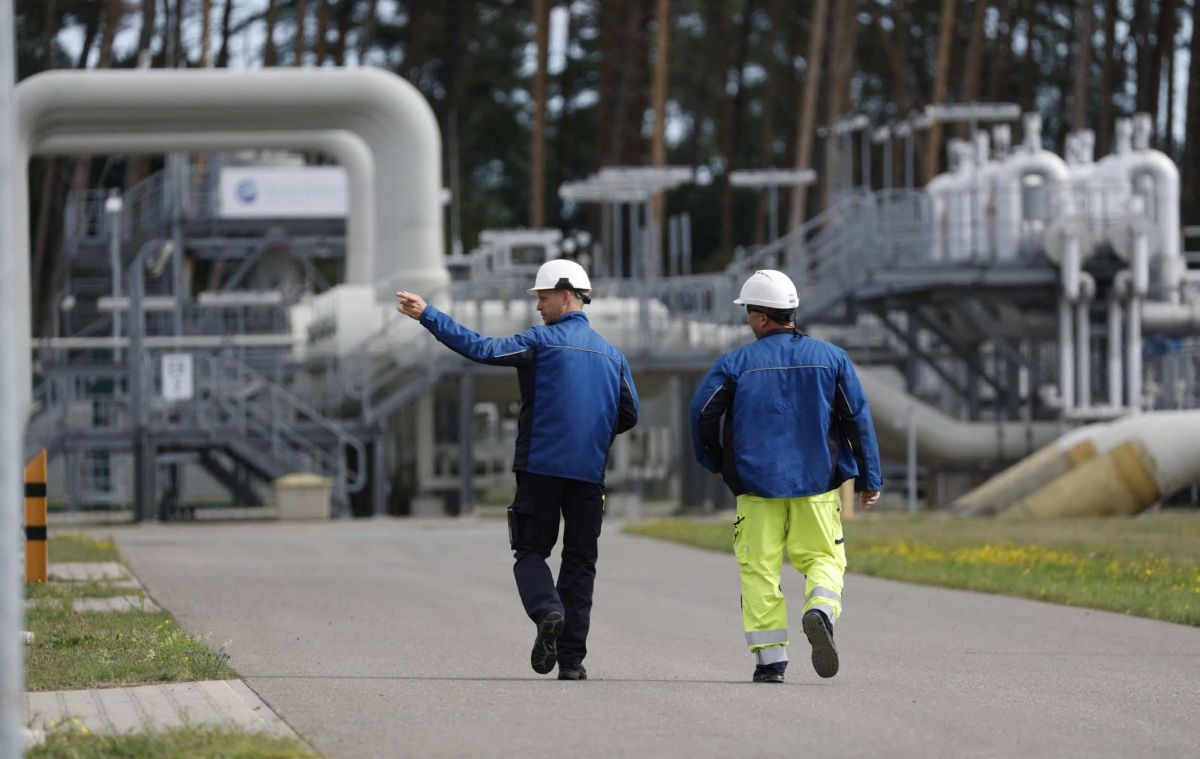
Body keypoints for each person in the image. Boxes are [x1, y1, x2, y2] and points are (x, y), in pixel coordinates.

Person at [396, 258, 639, 681]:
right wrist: (593, 433)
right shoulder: (613, 356)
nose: (538, 307)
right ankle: (572, 662)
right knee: (581, 562)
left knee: (530, 552)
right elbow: (629, 413)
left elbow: (481, 348)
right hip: (589, 475)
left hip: (540, 467)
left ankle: (547, 611)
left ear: (567, 297)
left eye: (543, 298)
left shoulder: (539, 343)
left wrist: (429, 315)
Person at [688, 269, 882, 684]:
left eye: (748, 312)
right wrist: (870, 477)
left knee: (759, 568)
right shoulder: (832, 358)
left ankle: (771, 663)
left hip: (756, 489)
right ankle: (821, 610)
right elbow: (856, 419)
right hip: (817, 485)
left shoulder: (736, 363)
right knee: (824, 559)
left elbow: (702, 414)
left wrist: (716, 461)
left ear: (760, 317)